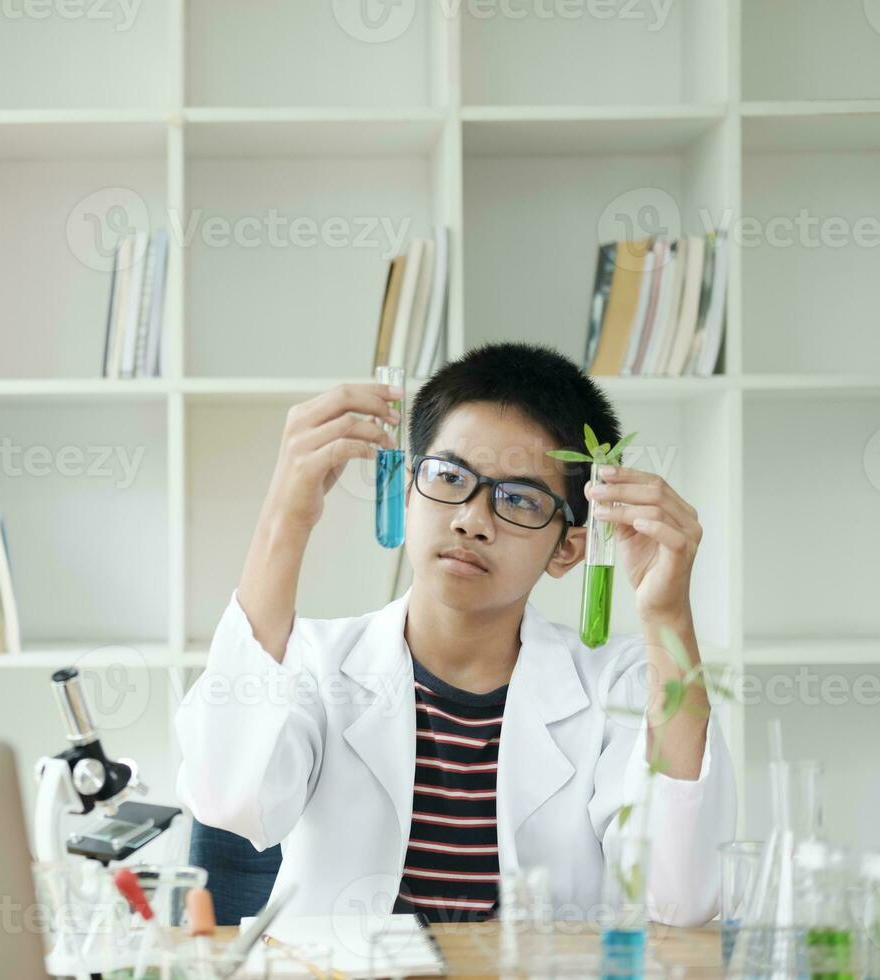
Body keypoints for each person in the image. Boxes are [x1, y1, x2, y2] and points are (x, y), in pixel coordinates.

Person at [174, 342, 735, 926]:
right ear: (407, 489)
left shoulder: (616, 685)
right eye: (449, 476)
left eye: (519, 498)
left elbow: (681, 897)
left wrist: (668, 615)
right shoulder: (316, 665)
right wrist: (286, 516)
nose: (472, 518)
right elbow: (228, 797)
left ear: (569, 547)